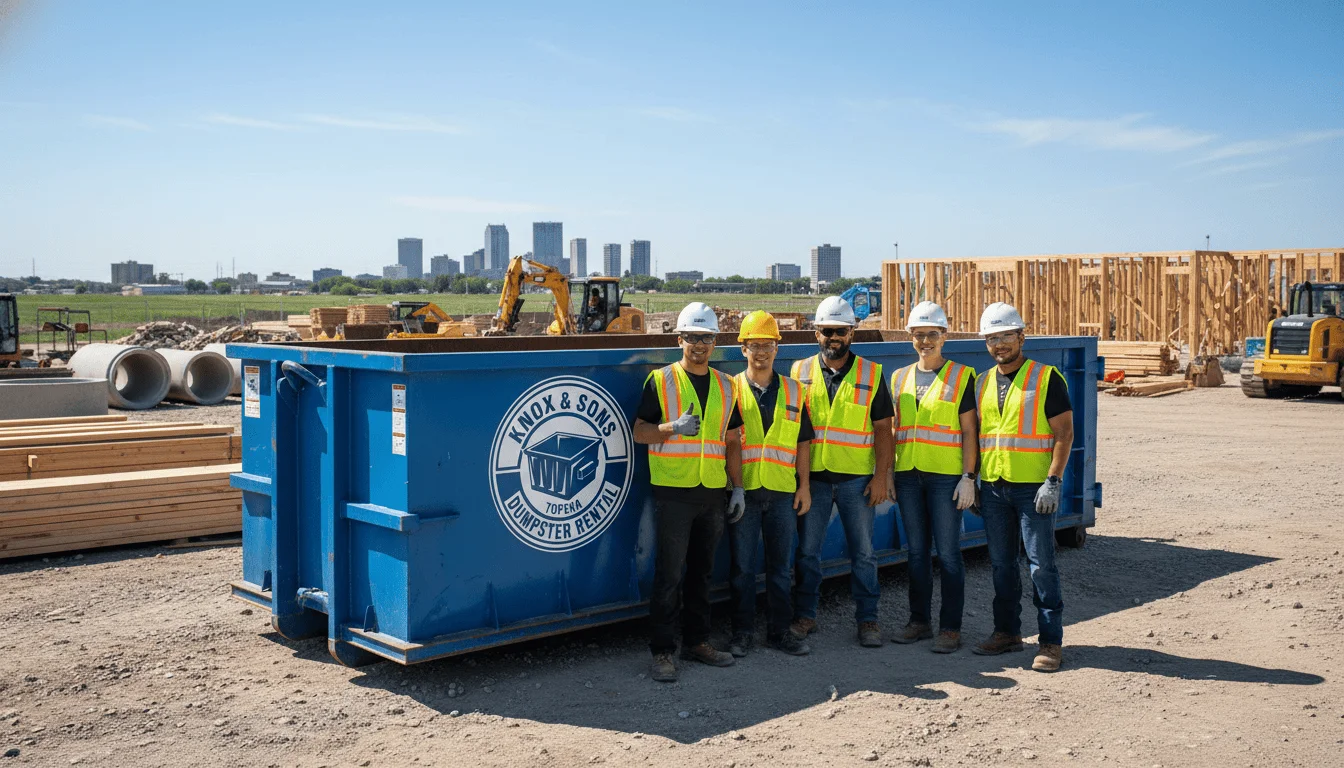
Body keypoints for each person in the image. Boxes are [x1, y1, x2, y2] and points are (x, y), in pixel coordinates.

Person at [632, 301, 745, 682]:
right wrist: (671, 428)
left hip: (712, 491)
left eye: (706, 338)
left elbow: (731, 441)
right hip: (675, 491)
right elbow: (639, 432)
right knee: (669, 575)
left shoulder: (728, 387)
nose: (699, 345)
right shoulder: (661, 381)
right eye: (693, 337)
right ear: (679, 339)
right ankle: (663, 651)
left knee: (703, 573)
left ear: (715, 342)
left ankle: (698, 642)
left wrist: (738, 488)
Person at [969, 302, 1074, 672]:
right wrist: (976, 481)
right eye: (992, 338)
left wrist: (1053, 481)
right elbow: (981, 436)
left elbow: (1064, 434)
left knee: (1040, 565)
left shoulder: (1046, 378)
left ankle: (1050, 642)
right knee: (1000, 565)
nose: (999, 344)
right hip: (994, 487)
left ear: (1021, 337)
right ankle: (1007, 632)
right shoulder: (981, 382)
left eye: (1005, 336)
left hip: (1033, 490)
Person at [790, 296, 895, 648]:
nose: (833, 337)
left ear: (852, 333)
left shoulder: (872, 373)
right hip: (815, 480)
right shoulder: (799, 373)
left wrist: (882, 477)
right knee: (807, 551)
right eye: (826, 331)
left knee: (863, 552)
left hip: (856, 480)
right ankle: (806, 614)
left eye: (840, 331)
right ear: (816, 333)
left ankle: (868, 620)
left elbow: (883, 429)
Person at [889, 301, 979, 654]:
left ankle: (951, 629)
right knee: (916, 553)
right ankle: (919, 622)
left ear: (945, 336)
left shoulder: (962, 376)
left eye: (931, 334)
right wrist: (892, 474)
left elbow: (970, 431)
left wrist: (969, 476)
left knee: (949, 554)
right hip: (909, 475)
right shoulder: (899, 378)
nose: (924, 340)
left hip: (945, 478)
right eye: (918, 334)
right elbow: (897, 429)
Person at [727, 311, 815, 658]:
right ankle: (742, 634)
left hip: (781, 492)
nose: (760, 352)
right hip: (744, 492)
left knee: (781, 569)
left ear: (777, 348)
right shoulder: (730, 388)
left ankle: (780, 632)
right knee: (742, 570)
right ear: (743, 350)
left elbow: (803, 443)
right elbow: (728, 440)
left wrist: (804, 486)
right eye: (753, 346)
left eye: (767, 345)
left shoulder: (795, 391)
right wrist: (733, 488)